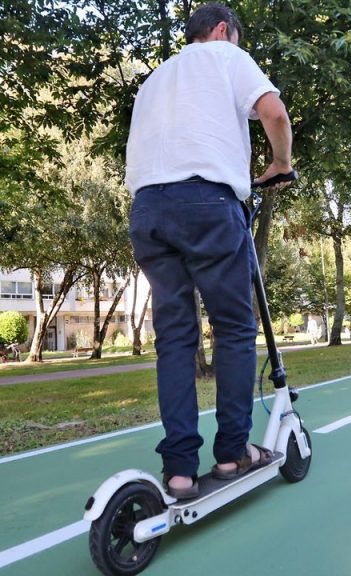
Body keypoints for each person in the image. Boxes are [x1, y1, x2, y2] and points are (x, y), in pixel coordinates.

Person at [125, 3, 294, 500]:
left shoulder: (155, 78)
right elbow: (274, 113)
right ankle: (232, 452)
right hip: (206, 202)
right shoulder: (226, 56)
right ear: (222, 31)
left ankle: (178, 471)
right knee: (235, 328)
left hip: (148, 208)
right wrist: (280, 163)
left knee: (175, 338)